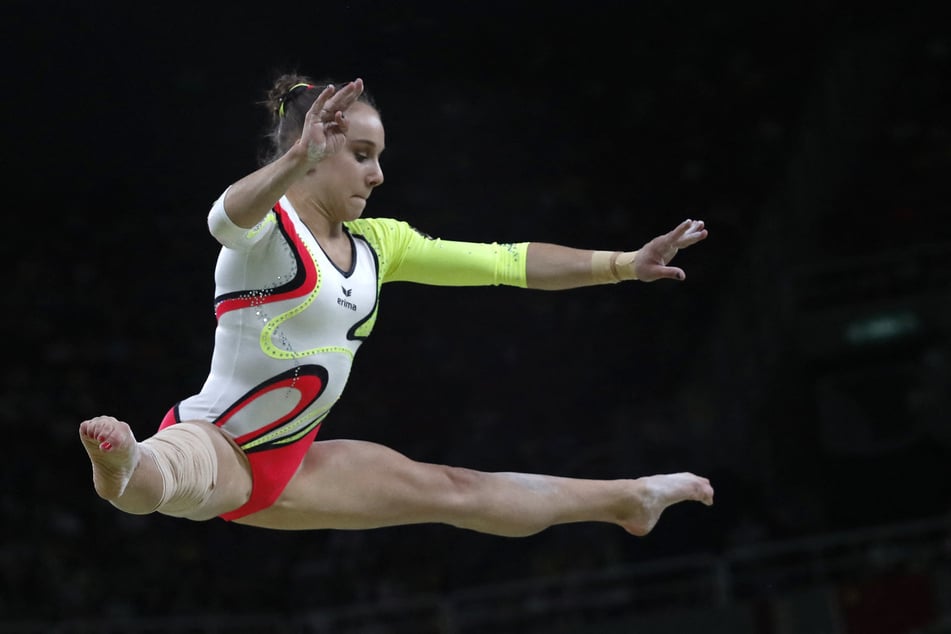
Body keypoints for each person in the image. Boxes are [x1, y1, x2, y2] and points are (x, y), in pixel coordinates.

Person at [80, 74, 714, 537]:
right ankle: (122, 463)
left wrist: (622, 265)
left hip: (297, 463)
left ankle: (628, 500)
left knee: (455, 490)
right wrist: (292, 159)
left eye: (379, 157)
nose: (377, 175)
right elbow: (223, 217)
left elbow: (507, 262)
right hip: (223, 441)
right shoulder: (267, 232)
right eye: (362, 156)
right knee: (163, 475)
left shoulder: (380, 245)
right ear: (311, 153)